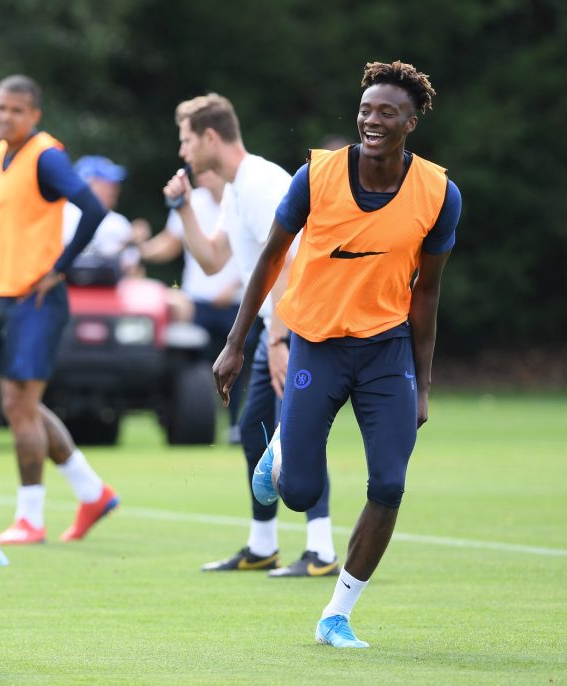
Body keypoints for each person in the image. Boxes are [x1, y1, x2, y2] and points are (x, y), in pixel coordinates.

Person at [213, 61, 461, 647]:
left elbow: (426, 292)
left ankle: (337, 613)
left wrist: (422, 383)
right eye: (366, 110)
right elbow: (270, 259)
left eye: (387, 113)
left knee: (390, 485)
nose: (372, 121)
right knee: (296, 491)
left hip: (387, 352)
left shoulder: (439, 194)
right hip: (317, 345)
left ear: (412, 122)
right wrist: (235, 343)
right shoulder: (315, 176)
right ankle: (280, 452)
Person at [161, 94, 339, 577]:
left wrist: (282, 341)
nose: (183, 151)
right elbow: (214, 259)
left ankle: (321, 551)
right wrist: (181, 208)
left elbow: (289, 262)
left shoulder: (260, 182)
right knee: (252, 434)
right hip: (272, 330)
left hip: (296, 329)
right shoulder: (236, 189)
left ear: (210, 138)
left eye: (186, 139)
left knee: (297, 438)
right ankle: (262, 545)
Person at [0, 74, 119, 545]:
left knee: (21, 407)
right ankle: (92, 492)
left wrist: (60, 267)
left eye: (16, 110)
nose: (5, 116)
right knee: (19, 405)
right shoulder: (2, 153)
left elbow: (92, 209)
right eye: (1, 107)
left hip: (37, 300)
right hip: (7, 296)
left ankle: (30, 519)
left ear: (34, 115)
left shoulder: (45, 155)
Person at [134, 169, 250, 440]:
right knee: (199, 367)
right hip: (197, 301)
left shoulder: (240, 199)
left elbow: (255, 250)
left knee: (238, 367)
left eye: (210, 172)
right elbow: (170, 243)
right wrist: (140, 249)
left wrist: (234, 285)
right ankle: (203, 419)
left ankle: (235, 424)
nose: (203, 177)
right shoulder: (192, 202)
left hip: (236, 302)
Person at [62, 155, 141, 277]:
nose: (114, 189)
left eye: (115, 184)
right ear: (87, 184)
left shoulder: (118, 222)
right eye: (107, 184)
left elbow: (133, 271)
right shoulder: (64, 213)